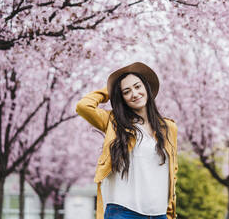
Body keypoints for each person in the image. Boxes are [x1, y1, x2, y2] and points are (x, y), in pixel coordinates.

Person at [76, 62, 178, 219]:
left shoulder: (168, 127)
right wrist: (110, 91)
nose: (134, 94)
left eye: (138, 87)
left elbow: (171, 173)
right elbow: (84, 106)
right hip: (123, 211)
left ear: (147, 88)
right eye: (126, 91)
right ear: (121, 97)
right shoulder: (113, 122)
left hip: (159, 214)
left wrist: (170, 212)